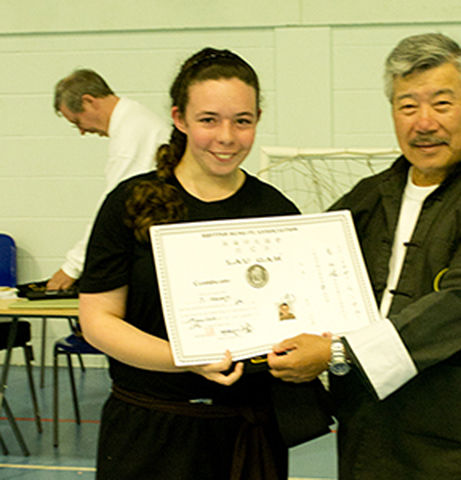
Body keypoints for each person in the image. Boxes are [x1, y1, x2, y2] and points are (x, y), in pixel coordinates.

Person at [268, 32, 461, 479]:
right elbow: (305, 276)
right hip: (367, 438)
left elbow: (456, 308)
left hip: (458, 450)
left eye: (441, 103)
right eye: (407, 105)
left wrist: (337, 351)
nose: (424, 122)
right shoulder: (367, 198)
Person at [79, 48, 300, 479]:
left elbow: (291, 317)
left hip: (245, 433)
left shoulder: (276, 212)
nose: (227, 137)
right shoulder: (128, 203)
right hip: (149, 432)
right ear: (180, 119)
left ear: (257, 119)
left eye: (242, 120)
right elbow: (98, 320)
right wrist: (185, 358)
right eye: (208, 120)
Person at [47, 69, 170, 290]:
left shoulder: (131, 134)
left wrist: (72, 267)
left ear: (89, 101)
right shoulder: (135, 118)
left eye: (77, 121)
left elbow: (111, 209)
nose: (82, 131)